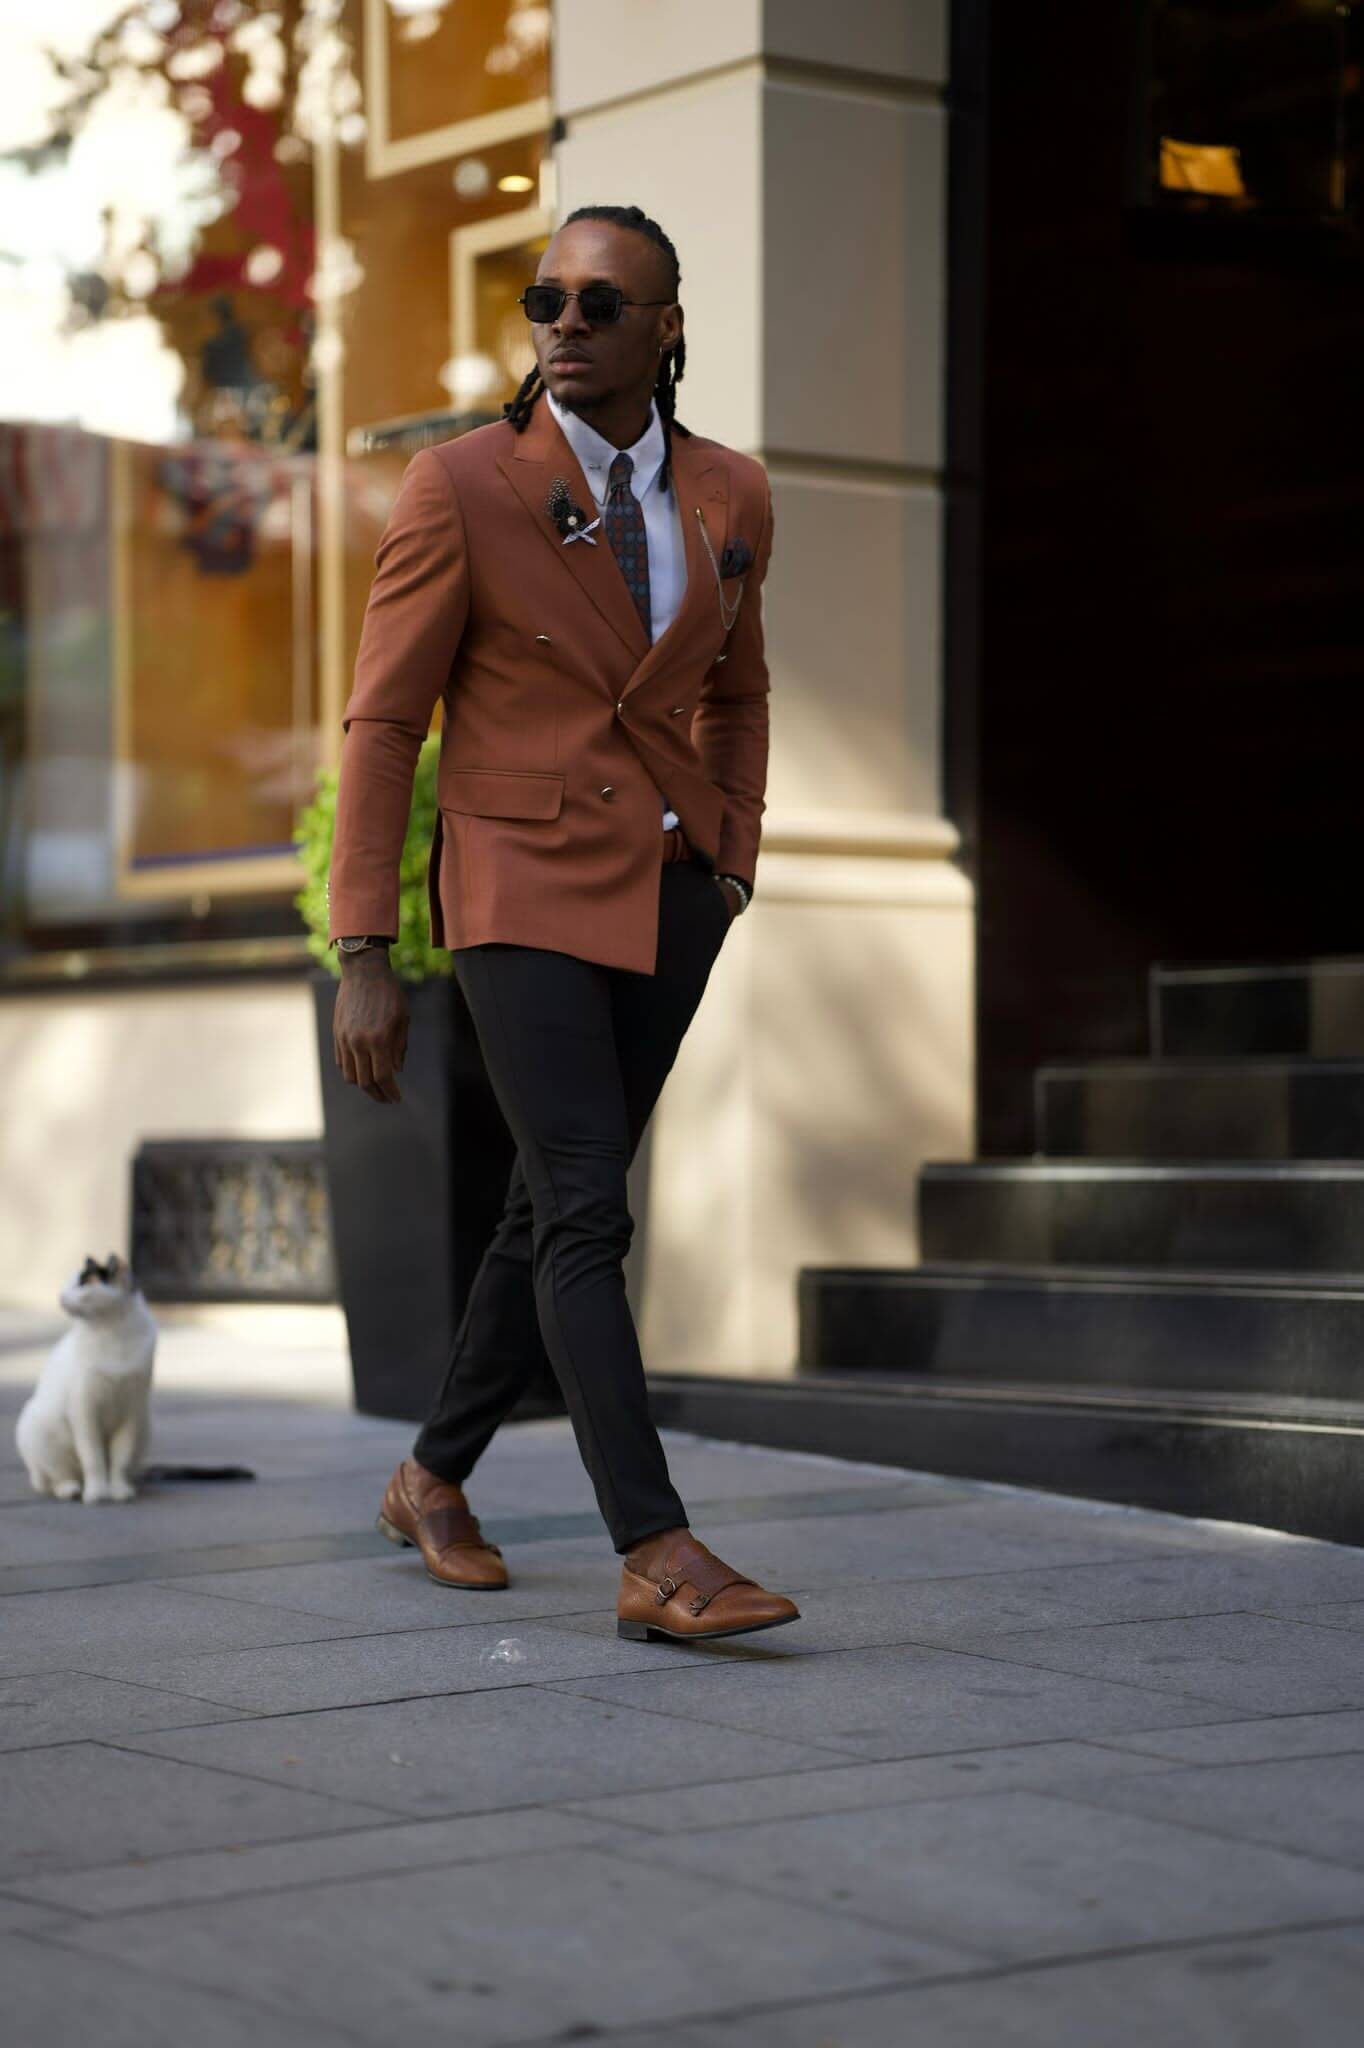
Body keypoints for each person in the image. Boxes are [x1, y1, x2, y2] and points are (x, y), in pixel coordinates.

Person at [326, 203, 798, 1645]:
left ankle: (430, 1475)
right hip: (517, 886)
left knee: (547, 1204)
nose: (569, 325)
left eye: (605, 304)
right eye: (549, 300)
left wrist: (732, 857)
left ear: (665, 330)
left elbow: (740, 688)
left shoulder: (730, 493)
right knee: (590, 1199)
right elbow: (385, 719)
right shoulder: (462, 486)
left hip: (668, 896)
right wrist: (363, 951)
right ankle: (654, 1548)